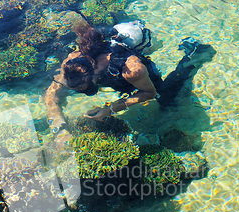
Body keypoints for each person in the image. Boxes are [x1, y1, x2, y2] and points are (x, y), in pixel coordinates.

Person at [43, 21, 216, 146]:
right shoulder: (73, 63)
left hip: (139, 75)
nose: (76, 91)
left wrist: (110, 109)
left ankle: (193, 55)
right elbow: (52, 93)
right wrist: (58, 125)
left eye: (81, 88)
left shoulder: (132, 70)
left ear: (94, 75)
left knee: (165, 98)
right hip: (110, 76)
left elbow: (150, 93)